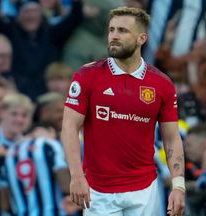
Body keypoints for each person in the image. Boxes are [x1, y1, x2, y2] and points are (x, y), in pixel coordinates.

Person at [61, 7, 185, 216]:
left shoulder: (162, 84)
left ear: (141, 38)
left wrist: (178, 186)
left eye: (123, 31)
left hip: (145, 190)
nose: (114, 36)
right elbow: (69, 127)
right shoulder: (87, 75)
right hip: (98, 192)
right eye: (111, 30)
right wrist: (76, 176)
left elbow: (172, 139)